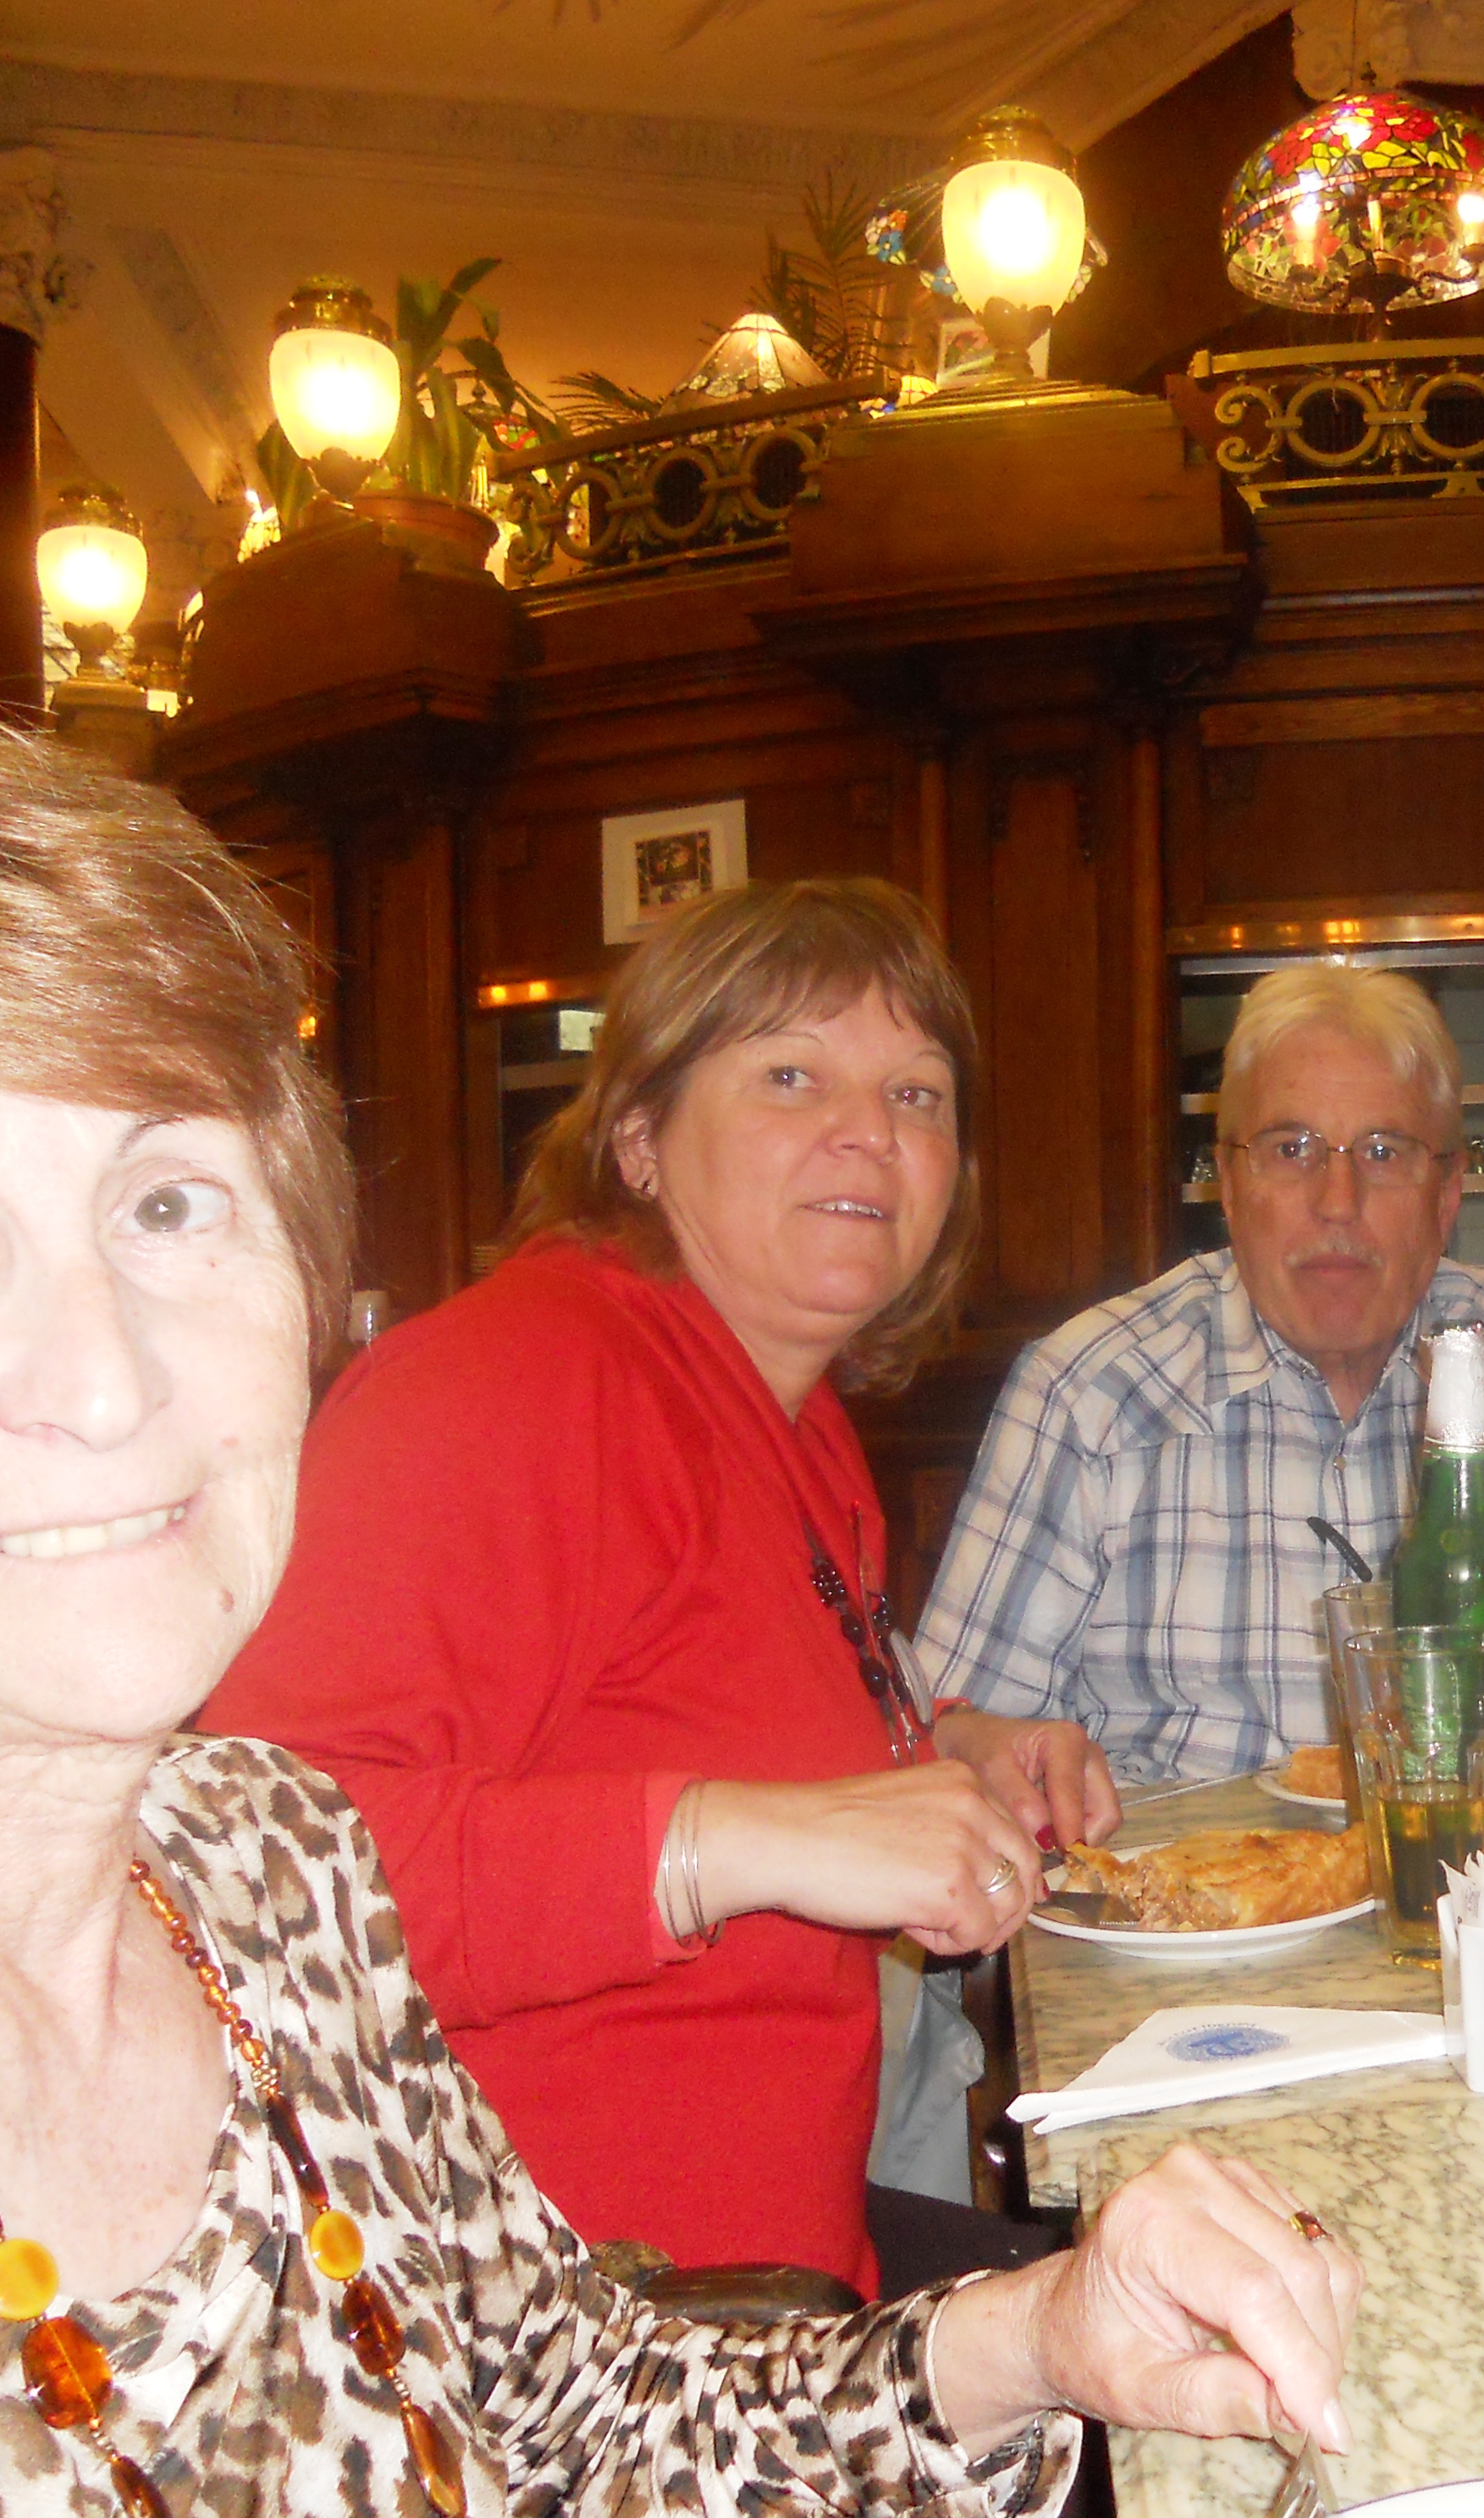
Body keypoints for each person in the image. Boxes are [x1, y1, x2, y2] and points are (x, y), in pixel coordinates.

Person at [0, 693, 1356, 2515]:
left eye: (169, 1206)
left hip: (762, 2309)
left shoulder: (258, 1869)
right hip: (713, 2258)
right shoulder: (512, 1390)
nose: (104, 1374)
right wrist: (747, 1839)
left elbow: (568, 2417)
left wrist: (1047, 2335)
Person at [204, 879, 1118, 2301]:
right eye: (791, 1076)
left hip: (783, 2282)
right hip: (551, 2342)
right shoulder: (506, 1386)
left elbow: (693, 1723)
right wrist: (740, 1841)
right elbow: (256, 1885)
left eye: (918, 1095)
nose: (869, 1132)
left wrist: (946, 1753)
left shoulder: (794, 1418)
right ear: (637, 1138)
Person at [919, 962, 1484, 1784]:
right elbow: (947, 1737)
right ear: (1229, 1183)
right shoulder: (1086, 1394)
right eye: (1291, 1149)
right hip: (1178, 1861)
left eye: (1383, 1151)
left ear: (1447, 1193)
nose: (1337, 1200)